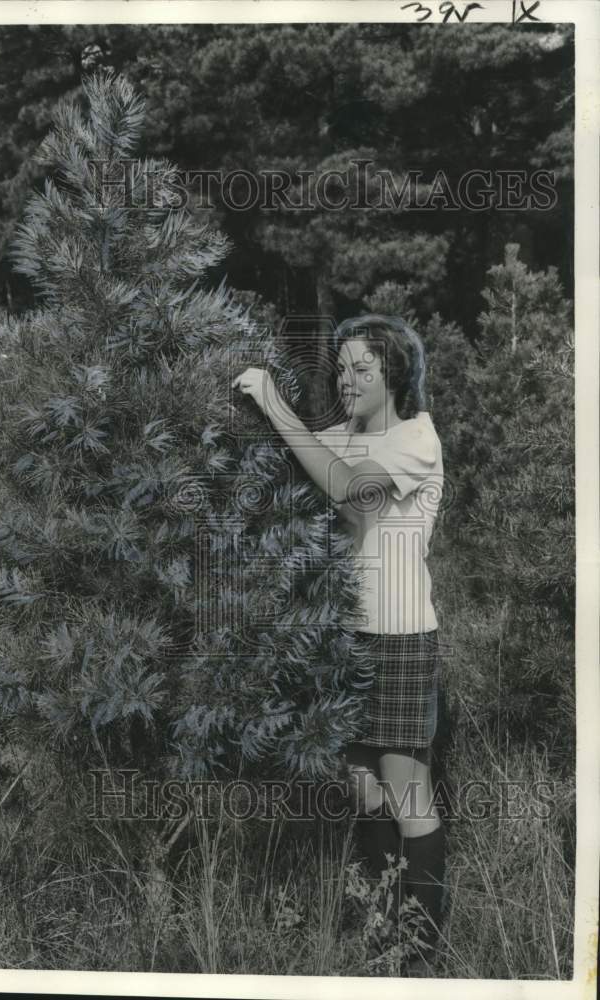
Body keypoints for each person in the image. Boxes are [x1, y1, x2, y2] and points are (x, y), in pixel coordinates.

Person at [232, 314, 446, 975]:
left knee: (406, 789)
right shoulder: (341, 436)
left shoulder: (415, 437)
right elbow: (293, 455)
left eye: (363, 369)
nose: (347, 380)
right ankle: (383, 930)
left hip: (402, 633)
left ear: (395, 376)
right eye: (342, 368)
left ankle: (422, 950)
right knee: (363, 789)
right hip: (348, 634)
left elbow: (346, 488)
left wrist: (273, 399)